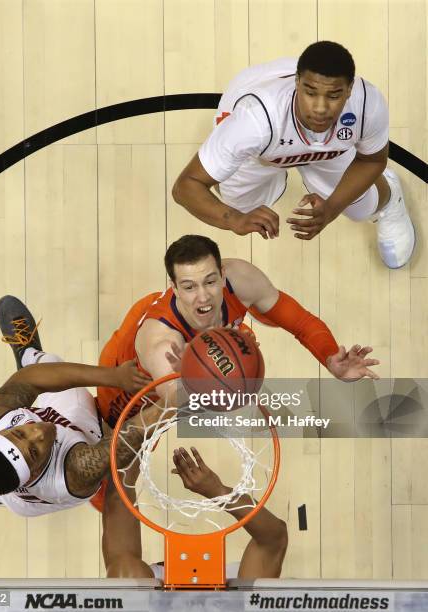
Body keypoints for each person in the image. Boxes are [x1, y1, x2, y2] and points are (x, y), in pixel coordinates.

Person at [172, 41, 415, 269]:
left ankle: (391, 198)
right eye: (310, 93)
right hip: (259, 148)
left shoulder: (367, 104)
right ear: (297, 83)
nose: (320, 108)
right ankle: (277, 173)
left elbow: (372, 160)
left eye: (333, 96)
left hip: (322, 148)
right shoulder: (252, 121)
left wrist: (331, 208)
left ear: (349, 90)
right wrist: (234, 219)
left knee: (361, 207)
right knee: (242, 206)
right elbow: (186, 186)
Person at [97, 233, 380, 427]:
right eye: (189, 287)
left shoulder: (240, 278)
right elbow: (175, 405)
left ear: (222, 273)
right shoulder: (162, 346)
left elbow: (301, 322)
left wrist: (330, 358)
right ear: (174, 287)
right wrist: (194, 377)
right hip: (131, 380)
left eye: (210, 281)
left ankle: (227, 331)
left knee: (261, 315)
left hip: (196, 330)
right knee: (122, 443)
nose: (203, 296)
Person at [0, 295, 156, 516]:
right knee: (113, 457)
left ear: (4, 431)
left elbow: (29, 380)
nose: (38, 431)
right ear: (36, 470)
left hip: (13, 458)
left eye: (20, 433)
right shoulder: (77, 470)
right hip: (76, 445)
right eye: (34, 451)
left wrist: (115, 376)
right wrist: (182, 394)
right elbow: (133, 432)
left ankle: (28, 354)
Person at [103, 446, 288, 580]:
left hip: (152, 590)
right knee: (125, 570)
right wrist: (218, 491)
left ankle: (128, 438)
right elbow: (273, 537)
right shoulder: (242, 592)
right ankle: (129, 439)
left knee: (125, 569)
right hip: (216, 592)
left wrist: (130, 437)